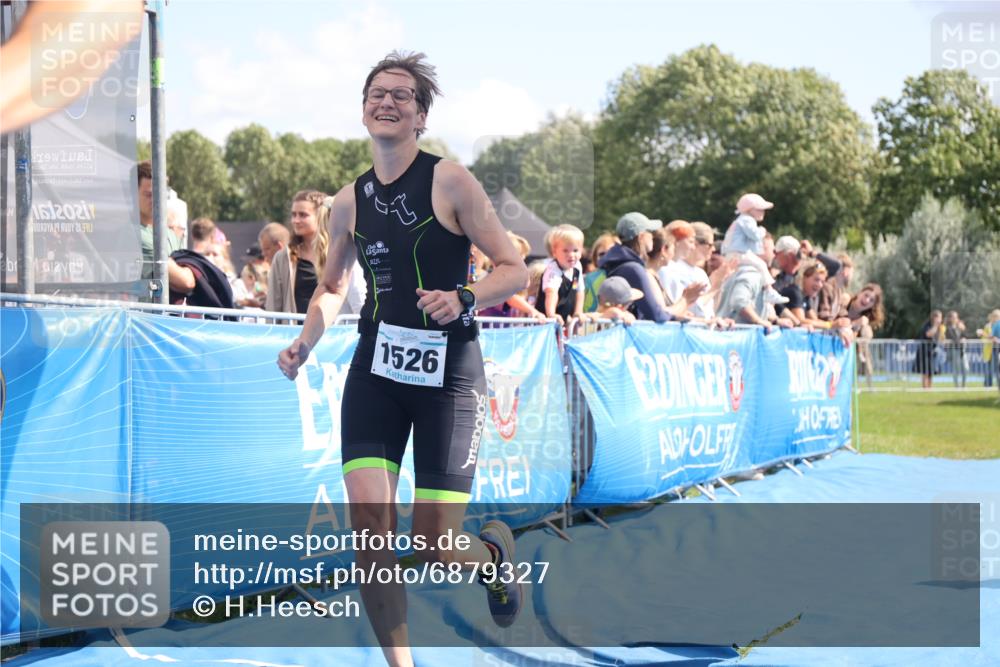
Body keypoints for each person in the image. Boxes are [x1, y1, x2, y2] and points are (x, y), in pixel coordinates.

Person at [276, 51, 528, 666]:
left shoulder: (452, 181)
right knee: (370, 538)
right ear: (364, 110)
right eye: (377, 94)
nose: (387, 102)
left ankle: (491, 558)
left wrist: (463, 297)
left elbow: (517, 267)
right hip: (377, 372)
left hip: (449, 376)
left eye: (401, 95)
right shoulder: (349, 199)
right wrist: (305, 343)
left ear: (420, 115)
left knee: (437, 547)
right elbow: (333, 286)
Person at [599, 212, 703, 323]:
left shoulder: (614, 263)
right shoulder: (634, 269)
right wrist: (684, 302)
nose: (653, 237)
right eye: (650, 233)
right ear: (641, 237)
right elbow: (656, 315)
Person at [266, 190, 331, 318]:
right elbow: (274, 304)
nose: (296, 220)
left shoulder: (337, 252)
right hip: (294, 333)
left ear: (320, 216)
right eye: (293, 215)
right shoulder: (283, 257)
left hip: (331, 333)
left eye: (303, 215)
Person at [721, 193, 787, 306]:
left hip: (733, 253)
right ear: (749, 209)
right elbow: (754, 235)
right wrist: (762, 230)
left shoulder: (742, 219)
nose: (763, 212)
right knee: (761, 264)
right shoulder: (747, 219)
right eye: (759, 209)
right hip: (738, 253)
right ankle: (769, 290)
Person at [537, 224, 585, 324]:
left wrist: (578, 312)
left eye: (575, 250)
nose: (571, 255)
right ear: (554, 252)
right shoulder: (553, 270)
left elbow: (579, 290)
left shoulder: (577, 267)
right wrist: (551, 314)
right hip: (546, 322)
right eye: (565, 251)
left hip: (564, 319)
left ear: (581, 250)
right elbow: (551, 293)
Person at [846, 283, 885, 388]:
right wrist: (854, 323)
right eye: (866, 295)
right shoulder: (845, 300)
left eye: (872, 300)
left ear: (873, 305)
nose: (867, 300)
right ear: (860, 293)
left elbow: (851, 337)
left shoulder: (864, 320)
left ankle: (869, 385)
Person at [582, 232, 619, 312]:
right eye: (602, 254)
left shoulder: (625, 274)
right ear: (595, 257)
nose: (606, 257)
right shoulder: (588, 279)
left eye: (611, 253)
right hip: (592, 320)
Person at [914, 310, 944, 389]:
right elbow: (928, 334)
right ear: (934, 318)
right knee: (925, 372)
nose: (940, 319)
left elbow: (939, 338)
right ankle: (925, 388)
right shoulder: (928, 325)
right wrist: (935, 326)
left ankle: (930, 388)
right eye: (939, 317)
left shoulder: (939, 327)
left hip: (932, 351)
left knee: (931, 372)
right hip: (925, 351)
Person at [944, 310, 967, 388]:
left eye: (956, 317)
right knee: (956, 369)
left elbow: (965, 336)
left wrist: (963, 333)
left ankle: (963, 386)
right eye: (954, 317)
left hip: (962, 350)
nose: (955, 319)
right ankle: (956, 386)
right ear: (950, 318)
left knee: (966, 368)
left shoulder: (960, 327)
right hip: (954, 350)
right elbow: (951, 337)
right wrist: (959, 340)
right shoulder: (947, 328)